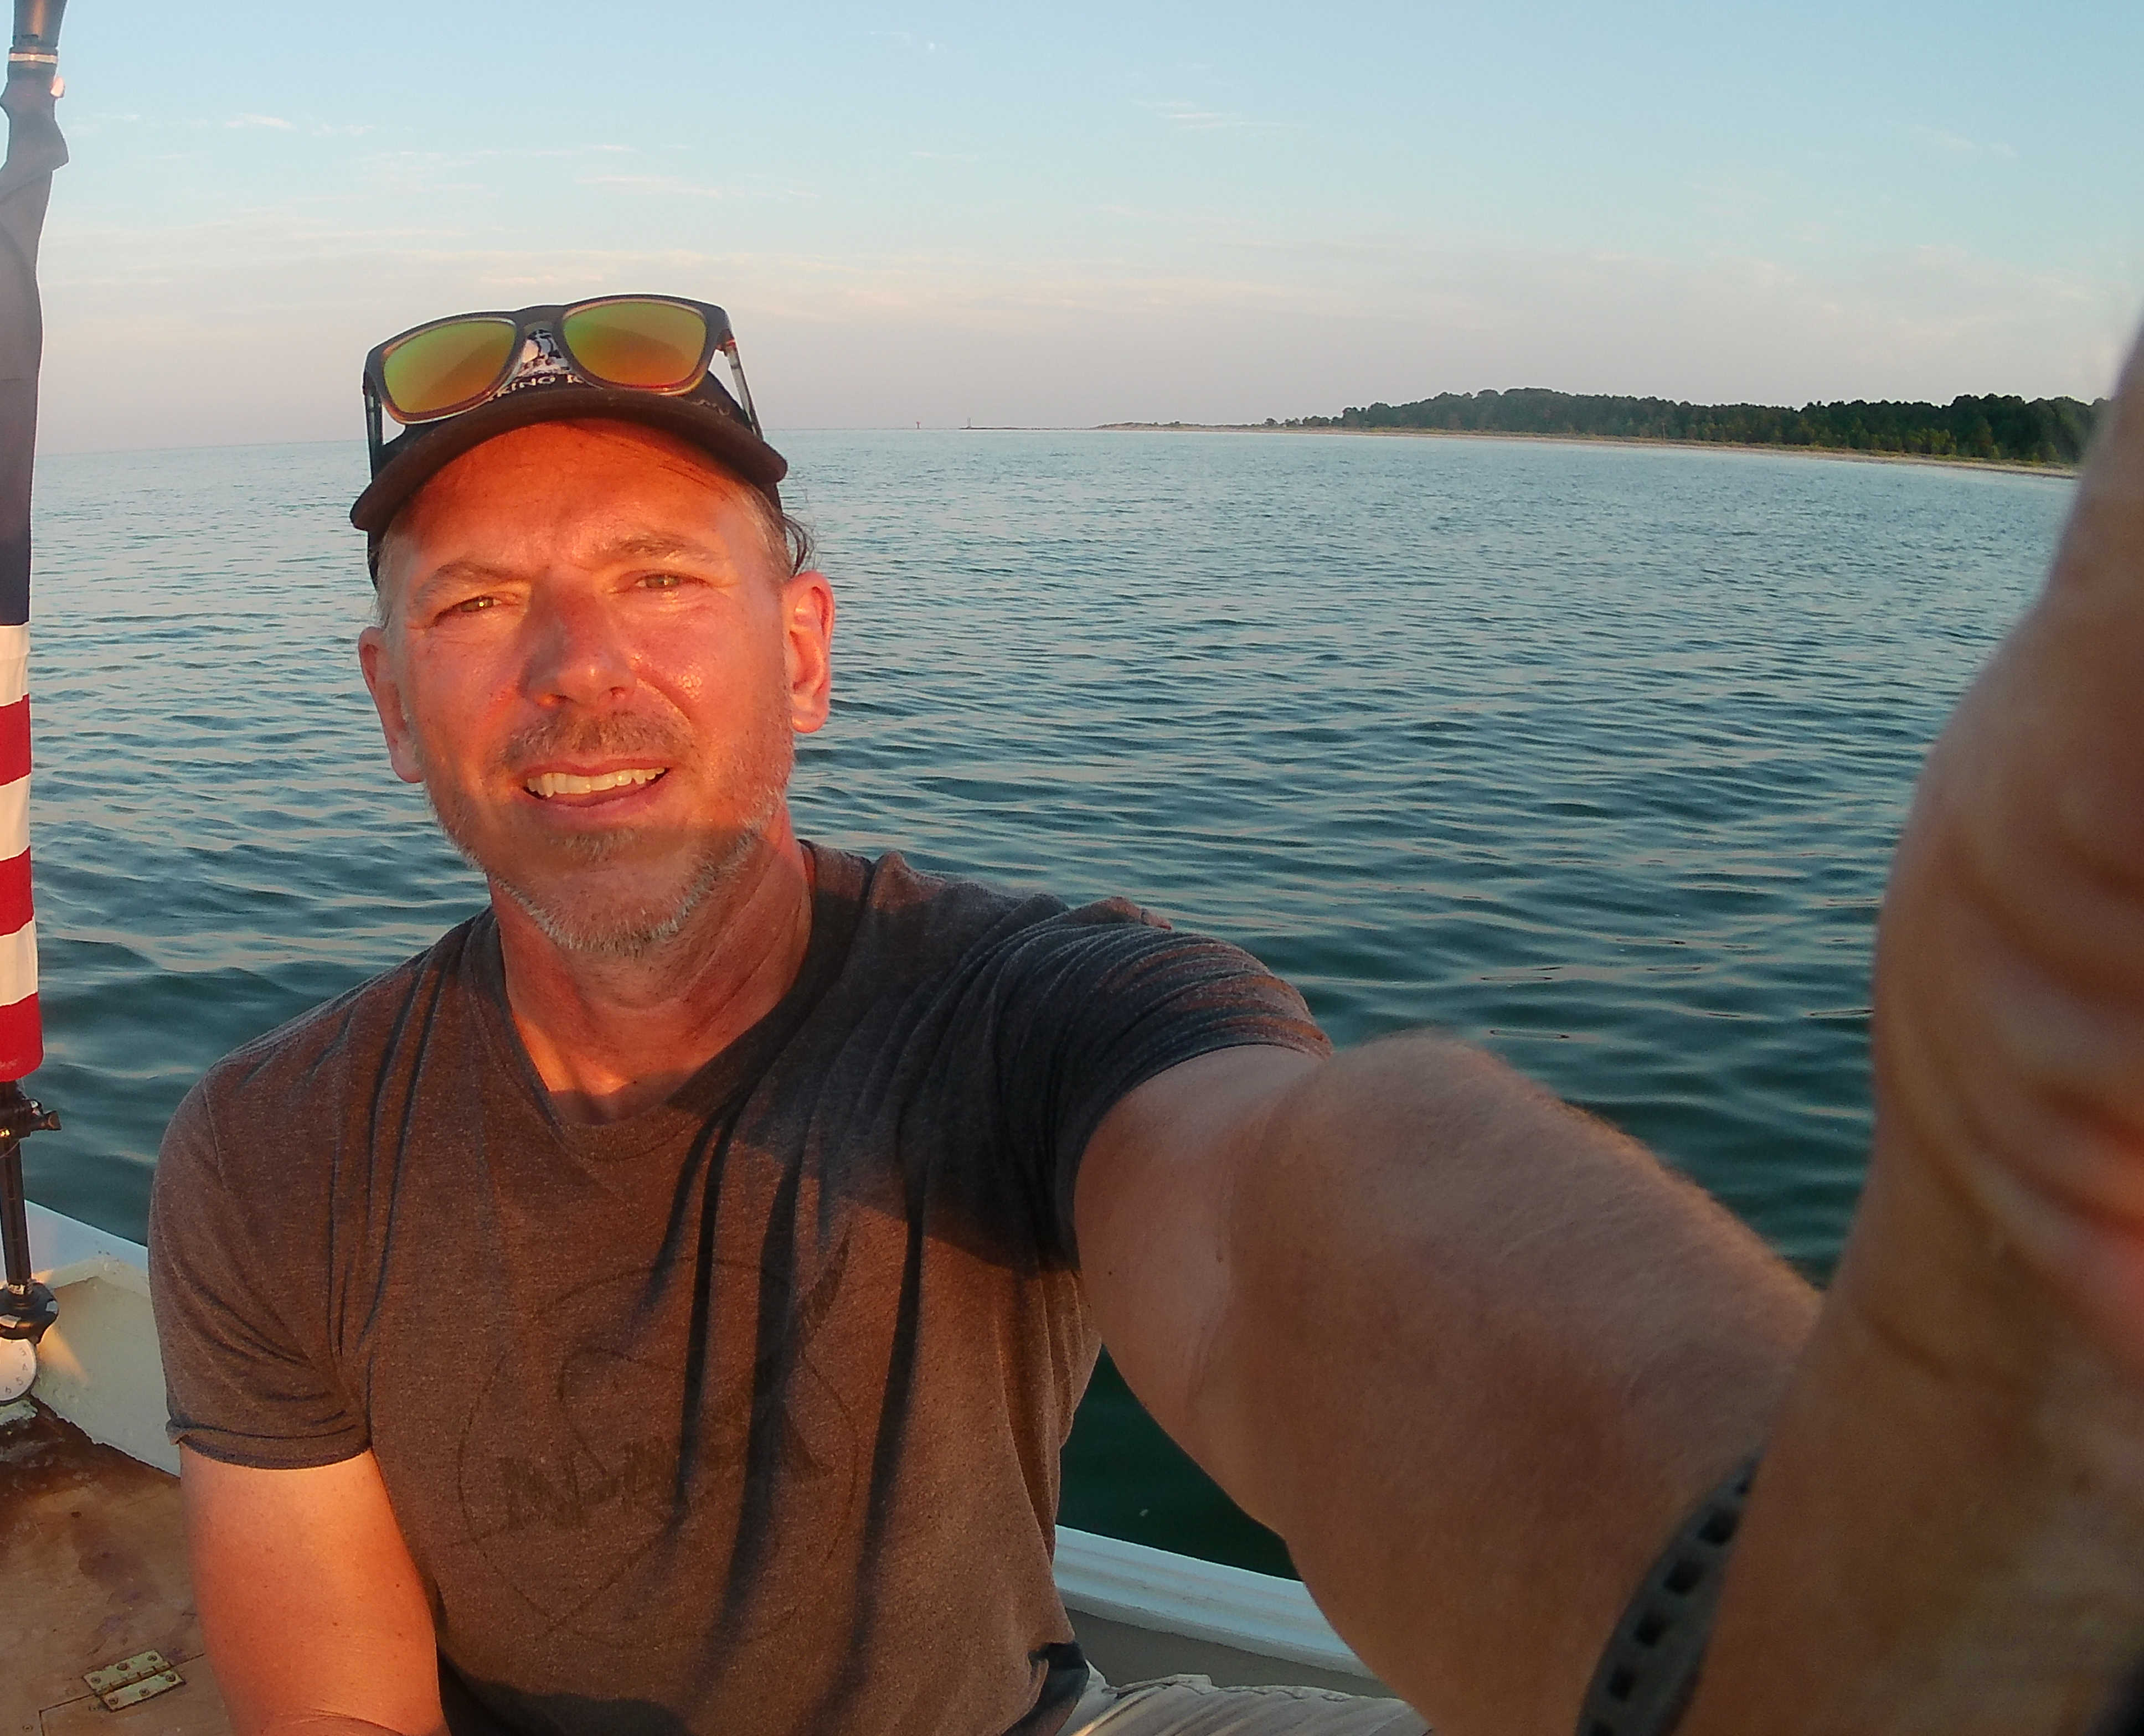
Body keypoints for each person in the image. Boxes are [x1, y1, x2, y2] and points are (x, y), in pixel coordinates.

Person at [148, 294, 2144, 1735]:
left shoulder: (1046, 1017)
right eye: (477, 605)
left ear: (807, 651)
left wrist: (1802, 1629)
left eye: (664, 577)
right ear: (392, 704)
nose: (579, 671)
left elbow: (1300, 1238)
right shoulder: (276, 1146)